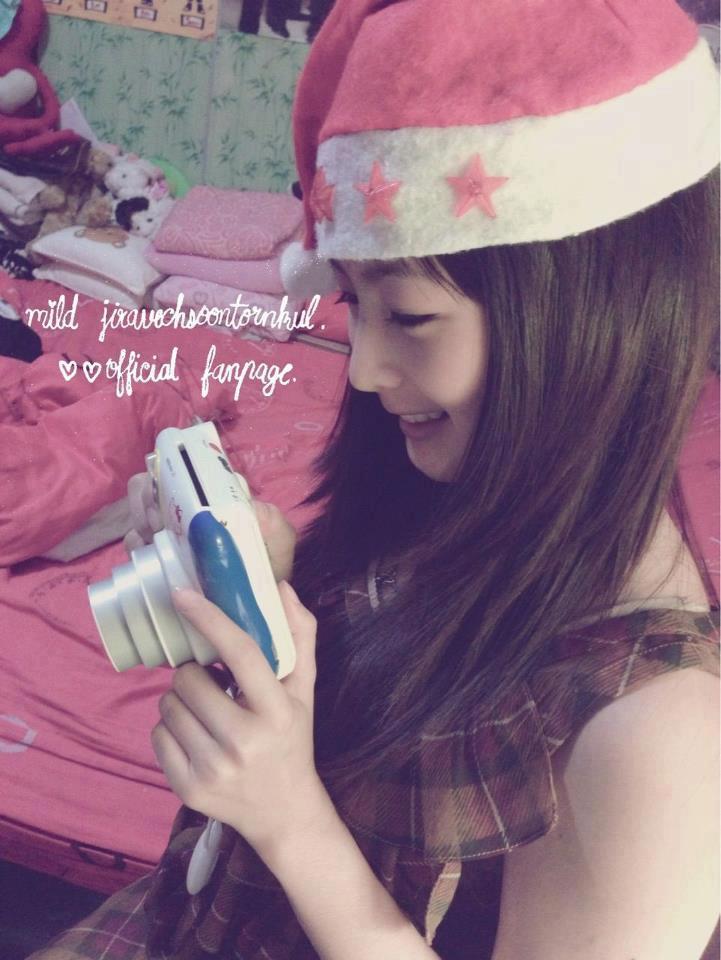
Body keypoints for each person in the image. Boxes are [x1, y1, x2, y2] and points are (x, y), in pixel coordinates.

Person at [28, 0, 720, 958]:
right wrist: (263, 573)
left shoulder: (659, 738)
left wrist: (289, 820)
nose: (359, 370)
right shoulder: (457, 484)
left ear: (597, 317)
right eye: (352, 304)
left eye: (411, 317)